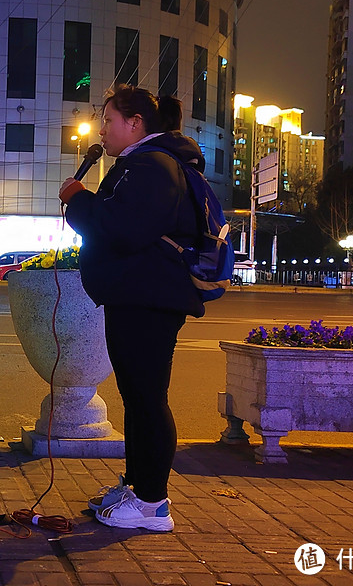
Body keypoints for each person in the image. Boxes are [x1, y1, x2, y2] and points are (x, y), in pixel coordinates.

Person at [58, 85, 204, 532]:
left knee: (146, 400)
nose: (103, 129)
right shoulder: (141, 165)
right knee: (138, 400)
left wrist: (79, 200)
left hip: (148, 299)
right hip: (135, 296)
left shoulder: (154, 166)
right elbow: (117, 222)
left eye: (109, 119)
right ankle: (138, 487)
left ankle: (153, 504)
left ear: (135, 123)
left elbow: (121, 230)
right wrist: (85, 201)